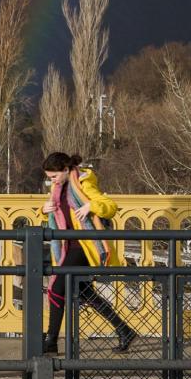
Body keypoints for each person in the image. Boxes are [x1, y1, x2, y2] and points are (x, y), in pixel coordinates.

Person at [41, 151, 136, 354]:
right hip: (69, 247)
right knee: (85, 292)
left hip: (84, 247)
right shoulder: (58, 190)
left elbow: (110, 207)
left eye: (54, 176)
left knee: (57, 289)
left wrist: (90, 205)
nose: (52, 181)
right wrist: (44, 209)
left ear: (66, 170)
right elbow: (59, 219)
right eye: (50, 178)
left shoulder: (84, 184)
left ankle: (50, 342)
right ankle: (124, 329)